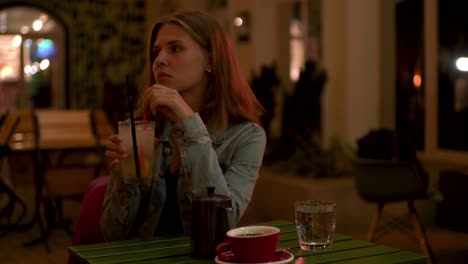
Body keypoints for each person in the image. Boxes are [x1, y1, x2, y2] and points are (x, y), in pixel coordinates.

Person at [101, 11, 266, 241]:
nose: (159, 60)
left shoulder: (246, 136)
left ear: (210, 59)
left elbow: (222, 226)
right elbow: (112, 233)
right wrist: (124, 177)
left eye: (175, 48)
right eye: (156, 52)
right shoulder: (142, 129)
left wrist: (190, 125)